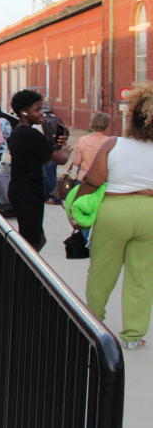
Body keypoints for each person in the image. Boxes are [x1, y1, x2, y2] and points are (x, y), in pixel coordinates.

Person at [80, 85, 153, 349]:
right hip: (149, 212)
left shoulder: (114, 144)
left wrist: (77, 205)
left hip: (114, 210)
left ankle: (93, 323)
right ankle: (132, 336)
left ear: (132, 116)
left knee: (101, 271)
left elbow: (93, 179)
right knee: (142, 277)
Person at [7, 89, 71, 251]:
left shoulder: (18, 132)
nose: (41, 113)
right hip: (28, 192)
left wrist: (56, 146)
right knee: (33, 241)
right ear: (24, 112)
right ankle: (21, 271)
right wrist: (65, 151)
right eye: (36, 110)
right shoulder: (31, 134)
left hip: (22, 190)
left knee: (37, 238)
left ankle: (23, 270)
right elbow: (61, 159)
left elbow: (44, 159)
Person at [70, 111, 112, 181]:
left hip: (84, 178)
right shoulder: (110, 142)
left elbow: (77, 162)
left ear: (91, 125)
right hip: (103, 180)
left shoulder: (83, 140)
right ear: (107, 126)